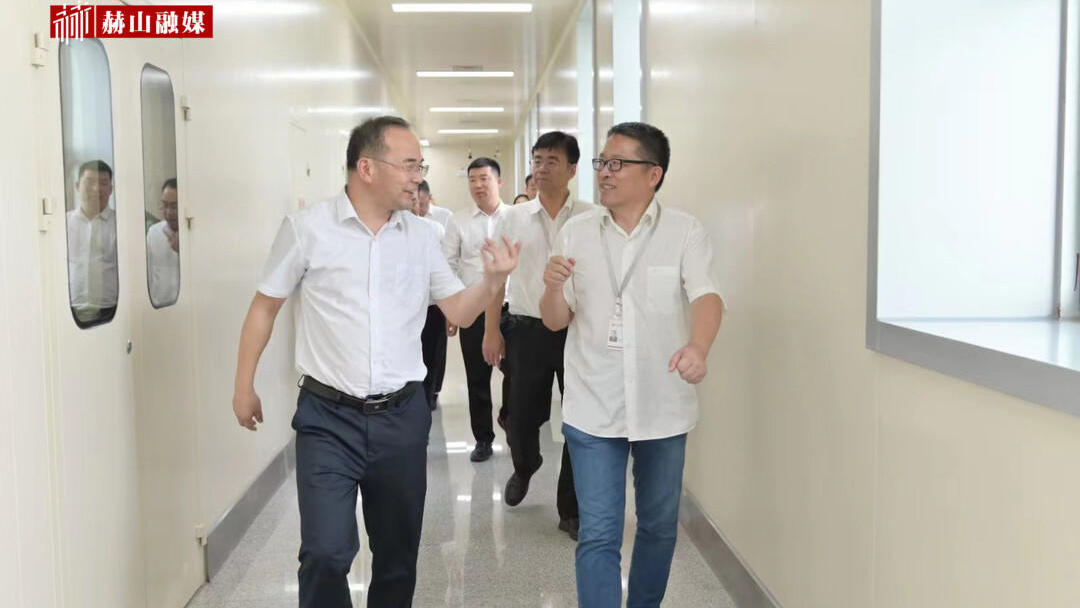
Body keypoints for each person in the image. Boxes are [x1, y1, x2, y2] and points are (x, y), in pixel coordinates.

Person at [231, 116, 519, 608]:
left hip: (401, 418)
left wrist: (492, 283)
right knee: (324, 553)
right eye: (409, 165)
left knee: (397, 557)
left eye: (420, 166)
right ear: (366, 168)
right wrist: (244, 385)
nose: (417, 177)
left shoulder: (423, 235)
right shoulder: (307, 229)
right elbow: (265, 306)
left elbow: (457, 310)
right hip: (327, 418)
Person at [539, 122, 724, 608]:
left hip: (662, 404)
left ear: (653, 173)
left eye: (617, 163)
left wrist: (698, 346)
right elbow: (555, 320)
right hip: (592, 404)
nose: (604, 172)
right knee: (599, 532)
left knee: (659, 526)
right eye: (602, 162)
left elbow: (706, 295)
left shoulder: (684, 231)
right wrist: (553, 287)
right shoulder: (576, 233)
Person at [486, 131, 594, 541]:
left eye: (552, 160)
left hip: (576, 331)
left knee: (579, 421)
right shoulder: (513, 218)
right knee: (519, 417)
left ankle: (571, 508)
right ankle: (525, 464)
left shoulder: (590, 217)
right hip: (526, 331)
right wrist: (492, 331)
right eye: (537, 160)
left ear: (572, 169)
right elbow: (496, 279)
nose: (542, 167)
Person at [442, 157, 513, 462]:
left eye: (484, 179)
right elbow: (447, 266)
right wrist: (452, 310)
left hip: (512, 309)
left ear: (499, 181)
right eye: (472, 180)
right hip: (473, 309)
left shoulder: (516, 217)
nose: (478, 185)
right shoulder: (457, 221)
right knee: (477, 378)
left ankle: (510, 420)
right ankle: (483, 438)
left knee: (517, 373)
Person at [410, 187, 449, 410]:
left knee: (431, 353)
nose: (412, 204)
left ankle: (428, 394)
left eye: (415, 200)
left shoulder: (434, 229)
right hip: (404, 307)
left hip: (432, 305)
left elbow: (446, 267)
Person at [66, 159, 119, 324]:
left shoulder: (120, 224)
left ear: (111, 189)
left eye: (103, 183)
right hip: (70, 307)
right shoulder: (64, 223)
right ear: (77, 186)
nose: (96, 189)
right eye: (89, 182)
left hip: (110, 309)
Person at [147, 178, 181, 307]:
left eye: (174, 206)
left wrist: (182, 251)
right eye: (165, 205)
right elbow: (149, 274)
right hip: (160, 309)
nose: (169, 212)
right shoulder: (154, 232)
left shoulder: (195, 235)